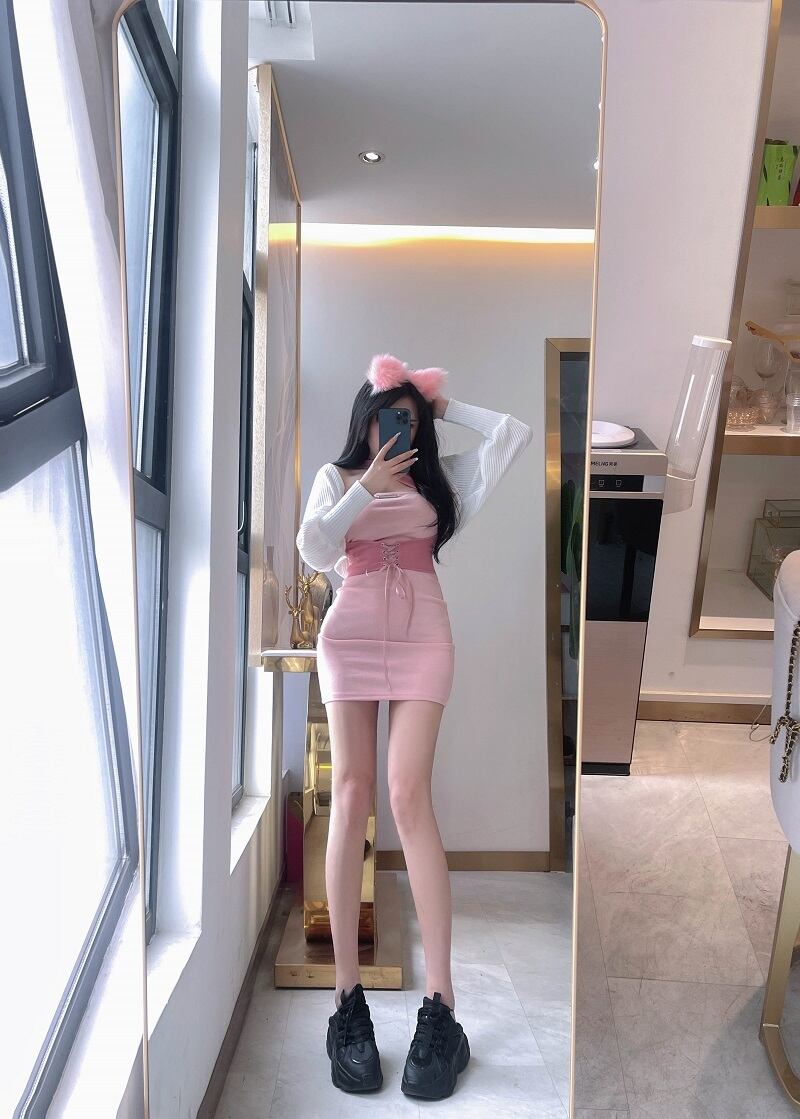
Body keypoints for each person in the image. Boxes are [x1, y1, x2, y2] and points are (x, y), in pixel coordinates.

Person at [295, 353, 533, 1100]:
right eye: (386, 416)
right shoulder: (336, 479)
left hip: (424, 637)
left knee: (407, 795)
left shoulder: (441, 478)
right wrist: (365, 485)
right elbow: (314, 550)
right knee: (352, 792)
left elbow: (515, 433)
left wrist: (438, 404)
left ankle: (442, 1005)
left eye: (408, 419)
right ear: (363, 418)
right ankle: (346, 998)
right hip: (350, 636)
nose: (396, 428)